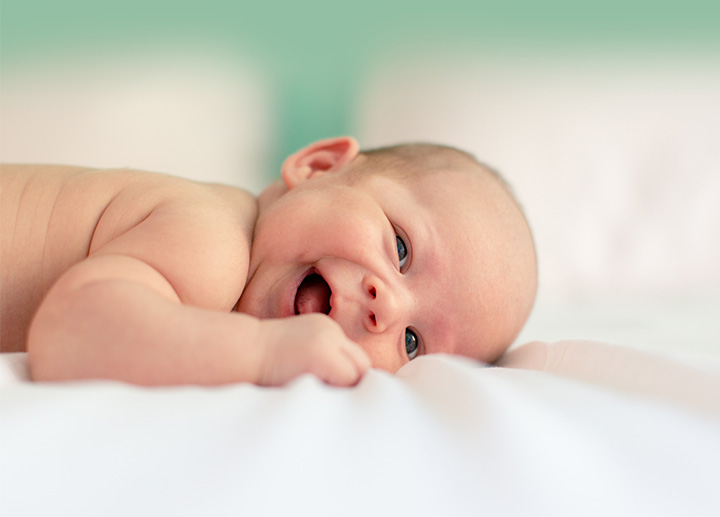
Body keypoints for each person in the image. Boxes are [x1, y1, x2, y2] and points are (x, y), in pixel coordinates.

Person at [0, 136, 537, 386]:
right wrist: (260, 353)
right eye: (400, 248)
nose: (386, 308)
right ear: (318, 166)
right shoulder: (213, 241)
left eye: (412, 343)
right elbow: (72, 335)